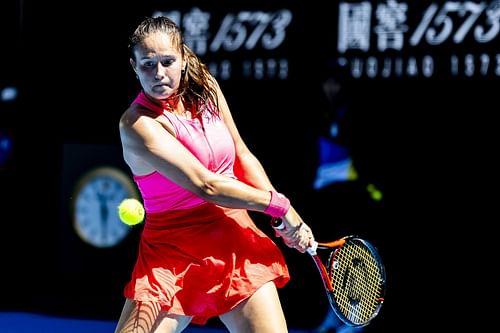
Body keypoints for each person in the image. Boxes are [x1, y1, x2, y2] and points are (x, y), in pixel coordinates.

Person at [114, 16, 315, 333]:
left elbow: (242, 155)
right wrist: (279, 207)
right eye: (147, 64)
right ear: (134, 66)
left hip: (233, 240)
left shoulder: (205, 86)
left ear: (183, 59)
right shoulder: (137, 125)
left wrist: (287, 215)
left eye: (167, 61)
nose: (158, 73)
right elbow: (204, 184)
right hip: (171, 254)